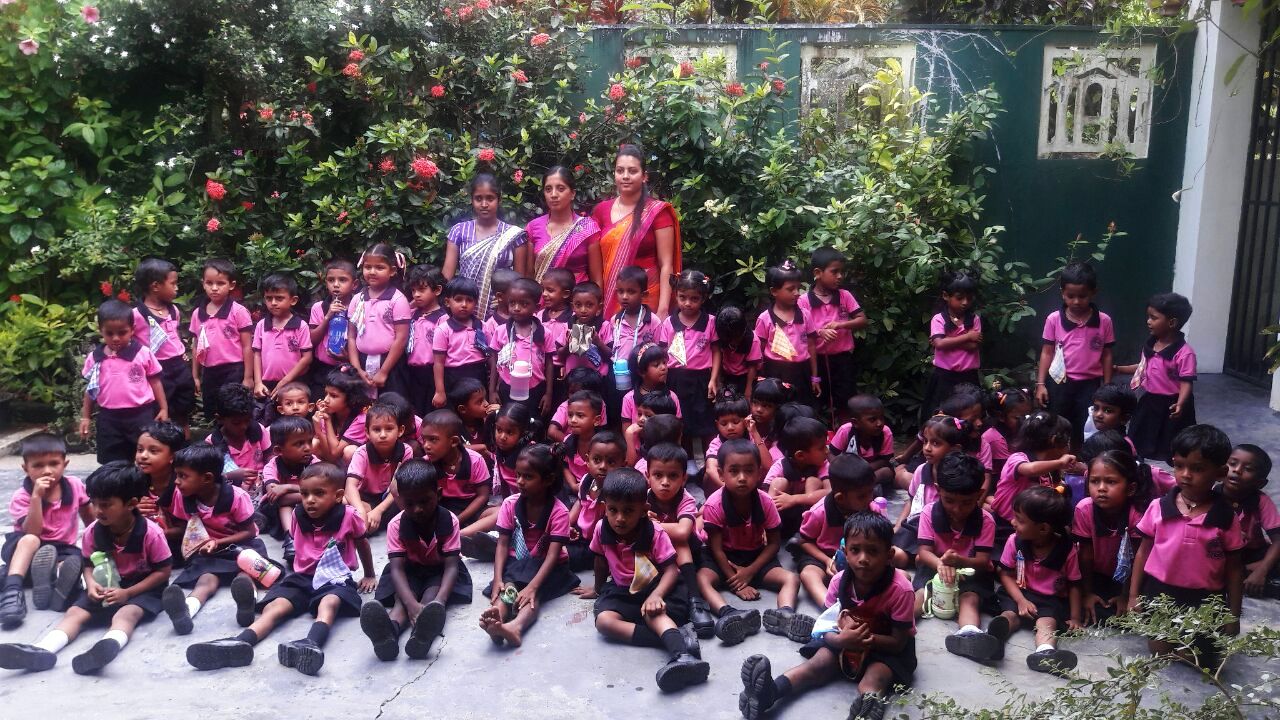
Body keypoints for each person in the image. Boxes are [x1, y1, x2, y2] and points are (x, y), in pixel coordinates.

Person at [184, 463, 376, 674]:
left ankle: (310, 644)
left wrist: (369, 574)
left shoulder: (349, 516)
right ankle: (240, 642)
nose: (310, 500)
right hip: (302, 577)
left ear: (338, 495)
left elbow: (362, 543)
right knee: (276, 607)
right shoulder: (297, 515)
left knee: (329, 603)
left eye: (319, 493)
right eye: (304, 493)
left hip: (334, 578)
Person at [738, 512, 917, 720]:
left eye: (873, 551)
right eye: (855, 550)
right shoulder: (839, 582)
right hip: (844, 640)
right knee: (815, 665)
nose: (863, 559)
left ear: (889, 555)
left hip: (885, 649)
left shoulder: (900, 590)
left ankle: (866, 711)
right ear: (844, 553)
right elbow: (826, 627)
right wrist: (841, 639)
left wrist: (865, 640)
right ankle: (769, 693)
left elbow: (898, 642)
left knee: (874, 679)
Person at [0, 462, 171, 674]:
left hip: (142, 588)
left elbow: (163, 572)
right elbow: (88, 564)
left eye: (106, 504)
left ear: (131, 503)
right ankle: (42, 650)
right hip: (106, 584)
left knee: (126, 615)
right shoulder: (93, 532)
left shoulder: (150, 533)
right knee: (74, 613)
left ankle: (108, 645)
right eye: (95, 503)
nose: (98, 510)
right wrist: (90, 584)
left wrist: (128, 593)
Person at [578, 467, 709, 692]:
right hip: (623, 590)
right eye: (613, 509)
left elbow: (671, 571)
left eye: (628, 511)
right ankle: (675, 639)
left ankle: (683, 656)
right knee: (604, 622)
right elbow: (600, 562)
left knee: (652, 614)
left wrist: (656, 596)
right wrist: (598, 589)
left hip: (657, 587)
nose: (619, 518)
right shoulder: (601, 529)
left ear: (643, 510)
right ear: (604, 508)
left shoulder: (654, 532)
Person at [1129, 425, 1243, 667]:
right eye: (1179, 465)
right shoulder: (1159, 507)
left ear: (1221, 473)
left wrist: (1233, 614)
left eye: (1198, 468)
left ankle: (1198, 645)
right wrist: (1133, 596)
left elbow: (1234, 568)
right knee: (1160, 652)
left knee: (1203, 661)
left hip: (1206, 598)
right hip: (1159, 592)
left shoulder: (1225, 517)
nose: (1185, 474)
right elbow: (1143, 553)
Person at [359, 459, 472, 661]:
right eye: (409, 503)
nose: (417, 509)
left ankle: (421, 636)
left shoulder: (449, 520)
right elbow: (397, 570)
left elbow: (452, 566)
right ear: (400, 500)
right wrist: (411, 604)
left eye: (424, 501)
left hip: (439, 570)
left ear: (437, 495)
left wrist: (440, 602)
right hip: (408, 570)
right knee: (403, 601)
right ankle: (387, 635)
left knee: (430, 598)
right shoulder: (396, 525)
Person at [697, 438, 801, 646]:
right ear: (720, 474)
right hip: (724, 558)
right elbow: (715, 549)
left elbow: (773, 544)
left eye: (749, 471)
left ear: (759, 473)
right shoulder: (714, 505)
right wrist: (736, 584)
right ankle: (728, 613)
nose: (742, 478)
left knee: (792, 579)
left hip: (756, 556)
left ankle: (784, 615)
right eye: (734, 471)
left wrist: (750, 571)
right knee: (701, 579)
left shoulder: (766, 502)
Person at [161, 445, 271, 636]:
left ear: (207, 478)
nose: (176, 482)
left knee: (245, 575)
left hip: (242, 546)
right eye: (176, 475)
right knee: (206, 580)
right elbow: (185, 526)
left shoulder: (236, 497)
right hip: (209, 551)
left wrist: (219, 542)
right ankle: (186, 610)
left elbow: (249, 532)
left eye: (183, 476)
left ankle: (247, 603)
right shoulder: (183, 496)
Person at [479, 445, 580, 647]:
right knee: (508, 587)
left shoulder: (558, 512)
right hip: (519, 562)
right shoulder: (510, 504)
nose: (520, 482)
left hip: (550, 569)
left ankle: (516, 627)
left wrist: (533, 587)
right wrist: (497, 579)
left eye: (528, 477)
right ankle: (498, 616)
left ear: (548, 480)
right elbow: (502, 544)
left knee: (531, 595)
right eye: (518, 475)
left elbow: (553, 556)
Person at [983, 486, 1081, 673]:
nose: (1012, 522)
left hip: (1049, 600)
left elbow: (1075, 584)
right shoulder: (1015, 541)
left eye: (1019, 520)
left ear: (1043, 528)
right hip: (1017, 592)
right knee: (1009, 615)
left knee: (1047, 622)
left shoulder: (1067, 550)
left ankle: (1045, 653)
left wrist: (1075, 618)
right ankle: (993, 640)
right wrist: (1020, 600)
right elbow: (1004, 573)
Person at [0, 434, 91, 627]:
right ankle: (12, 591)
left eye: (53, 463)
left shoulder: (74, 486)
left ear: (64, 464)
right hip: (26, 548)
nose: (47, 471)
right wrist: (36, 498)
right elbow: (33, 530)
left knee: (74, 561)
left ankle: (55, 588)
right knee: (31, 540)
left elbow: (89, 517)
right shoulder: (22, 496)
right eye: (38, 465)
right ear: (25, 469)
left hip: (62, 549)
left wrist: (99, 544)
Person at [913, 454, 997, 659]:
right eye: (949, 500)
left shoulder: (986, 520)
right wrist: (941, 564)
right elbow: (924, 552)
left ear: (979, 494)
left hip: (973, 573)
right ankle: (894, 623)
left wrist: (959, 562)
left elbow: (983, 561)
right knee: (922, 595)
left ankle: (969, 634)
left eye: (966, 502)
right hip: (935, 567)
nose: (957, 509)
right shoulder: (928, 513)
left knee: (969, 599)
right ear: (938, 489)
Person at [594, 144, 681, 319]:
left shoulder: (657, 212)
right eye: (620, 171)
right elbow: (595, 264)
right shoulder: (601, 211)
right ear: (614, 175)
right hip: (613, 296)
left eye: (632, 171)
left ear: (644, 176)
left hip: (648, 298)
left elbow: (666, 265)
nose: (625, 176)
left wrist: (663, 309)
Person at [81, 299, 169, 464]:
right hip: (108, 417)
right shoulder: (95, 358)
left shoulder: (142, 354)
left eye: (122, 332)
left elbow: (155, 381)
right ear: (101, 331)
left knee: (145, 459)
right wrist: (85, 417)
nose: (115, 338)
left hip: (140, 415)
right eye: (109, 333)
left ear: (132, 330)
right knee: (112, 462)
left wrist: (163, 408)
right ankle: (117, 488)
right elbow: (90, 389)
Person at [1037, 262, 1114, 449]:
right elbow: (1047, 352)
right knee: (1057, 423)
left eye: (1082, 296)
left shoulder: (1104, 321)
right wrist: (1040, 384)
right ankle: (1056, 461)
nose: (1076, 301)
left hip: (1090, 384)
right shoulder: (1054, 319)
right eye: (1071, 296)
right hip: (1059, 382)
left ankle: (1081, 461)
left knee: (1086, 424)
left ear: (1093, 292)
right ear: (1062, 293)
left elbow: (1107, 355)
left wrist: (1107, 386)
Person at [795, 454, 883, 615]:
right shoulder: (819, 513)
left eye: (871, 492)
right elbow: (804, 542)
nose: (870, 498)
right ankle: (833, 610)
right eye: (862, 496)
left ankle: (878, 601)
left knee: (895, 556)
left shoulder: (871, 509)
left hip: (858, 554)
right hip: (823, 554)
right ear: (840, 498)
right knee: (809, 574)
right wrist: (827, 560)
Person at [643, 443, 714, 636]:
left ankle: (695, 600)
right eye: (658, 475)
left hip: (689, 554)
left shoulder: (686, 499)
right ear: (648, 476)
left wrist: (649, 525)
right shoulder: (642, 498)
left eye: (673, 476)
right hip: (658, 555)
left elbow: (683, 532)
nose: (665, 482)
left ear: (683, 478)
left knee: (678, 542)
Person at [1117, 292, 1197, 462]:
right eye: (1148, 317)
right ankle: (1139, 468)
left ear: (1172, 322)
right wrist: (1117, 368)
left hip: (1173, 404)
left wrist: (1181, 404)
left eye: (1153, 318)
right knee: (1138, 438)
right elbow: (1141, 367)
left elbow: (1186, 382)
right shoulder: (1152, 344)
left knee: (1173, 443)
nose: (1148, 321)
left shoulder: (1184, 353)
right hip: (1150, 400)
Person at [1074, 449, 1145, 624]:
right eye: (1094, 481)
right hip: (1096, 575)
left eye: (1111, 482)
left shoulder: (1137, 514)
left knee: (1136, 612)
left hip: (1129, 577)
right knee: (1084, 608)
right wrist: (1087, 593)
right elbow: (1085, 555)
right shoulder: (1084, 509)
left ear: (1131, 489)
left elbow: (1136, 559)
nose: (1101, 489)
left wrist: (1127, 595)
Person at [444, 173, 529, 316]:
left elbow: (519, 282)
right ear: (472, 200)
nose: (484, 204)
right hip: (465, 308)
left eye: (490, 198)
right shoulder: (458, 231)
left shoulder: (514, 236)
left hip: (501, 312)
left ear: (499, 200)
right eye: (478, 198)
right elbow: (447, 275)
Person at [800, 247, 868, 426]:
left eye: (841, 272)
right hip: (816, 360)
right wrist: (820, 332)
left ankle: (845, 435)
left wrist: (840, 324)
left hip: (843, 359)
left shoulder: (844, 296)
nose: (840, 276)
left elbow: (862, 319)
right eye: (834, 272)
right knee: (816, 400)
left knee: (845, 400)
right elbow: (801, 331)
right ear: (817, 273)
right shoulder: (804, 301)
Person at [992, 410, 1080, 545]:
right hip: (1007, 525)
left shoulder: (1052, 469)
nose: (1069, 446)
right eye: (1067, 441)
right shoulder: (1018, 458)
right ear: (1055, 441)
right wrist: (1060, 463)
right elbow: (1030, 469)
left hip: (1035, 529)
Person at [891, 416, 969, 563]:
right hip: (917, 526)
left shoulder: (960, 475)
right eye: (925, 441)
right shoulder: (921, 470)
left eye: (936, 443)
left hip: (945, 530)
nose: (927, 448)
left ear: (955, 449)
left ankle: (925, 558)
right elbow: (912, 501)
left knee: (927, 557)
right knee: (898, 556)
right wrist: (897, 526)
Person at [656, 269, 719, 446]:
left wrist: (713, 379)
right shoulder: (669, 323)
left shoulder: (710, 322)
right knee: (677, 417)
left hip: (701, 379)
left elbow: (716, 351)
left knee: (702, 419)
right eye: (682, 297)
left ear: (704, 298)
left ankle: (706, 458)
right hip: (675, 378)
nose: (688, 303)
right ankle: (683, 456)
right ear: (676, 295)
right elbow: (663, 354)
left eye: (694, 299)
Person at [132, 257, 195, 429]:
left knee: (184, 407)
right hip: (157, 369)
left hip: (179, 365)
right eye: (173, 283)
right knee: (160, 409)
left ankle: (185, 445)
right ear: (155, 286)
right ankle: (163, 445)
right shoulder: (137, 315)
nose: (177, 287)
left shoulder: (173, 310)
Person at [190, 258, 254, 418]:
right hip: (209, 371)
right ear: (203, 283)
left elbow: (247, 346)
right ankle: (217, 440)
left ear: (231, 285)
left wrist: (248, 377)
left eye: (220, 283)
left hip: (234, 369)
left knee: (233, 410)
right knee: (213, 410)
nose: (214, 288)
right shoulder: (198, 314)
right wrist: (195, 376)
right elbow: (196, 345)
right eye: (209, 283)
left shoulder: (238, 311)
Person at [347, 243, 411, 398]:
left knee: (391, 407)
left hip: (390, 365)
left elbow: (401, 338)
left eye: (380, 267)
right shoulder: (358, 299)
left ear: (392, 271)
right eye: (368, 267)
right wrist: (357, 369)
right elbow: (351, 336)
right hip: (361, 362)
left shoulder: (397, 300)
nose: (372, 272)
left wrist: (383, 372)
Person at [754, 260, 820, 406]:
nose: (797, 293)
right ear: (774, 291)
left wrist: (815, 377)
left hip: (801, 371)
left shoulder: (805, 315)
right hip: (774, 372)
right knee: (776, 409)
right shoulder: (765, 318)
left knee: (802, 407)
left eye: (798, 288)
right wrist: (759, 376)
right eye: (791, 289)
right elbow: (758, 350)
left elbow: (811, 347)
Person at [921, 269, 982, 426]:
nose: (965, 302)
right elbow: (940, 344)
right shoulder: (939, 319)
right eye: (959, 298)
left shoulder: (974, 319)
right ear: (946, 296)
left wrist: (947, 341)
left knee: (971, 413)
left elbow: (973, 346)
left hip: (969, 377)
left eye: (969, 298)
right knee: (939, 414)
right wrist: (967, 336)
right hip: (944, 377)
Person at [487, 277, 555, 415]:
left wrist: (548, 393)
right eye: (512, 303)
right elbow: (494, 362)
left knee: (532, 422)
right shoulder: (501, 331)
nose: (516, 308)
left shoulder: (545, 333)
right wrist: (492, 390)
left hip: (535, 388)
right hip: (507, 386)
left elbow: (549, 364)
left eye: (524, 304)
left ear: (536, 307)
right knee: (507, 419)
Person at [421, 410, 491, 538]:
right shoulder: (425, 463)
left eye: (433, 440)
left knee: (498, 512)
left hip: (470, 507)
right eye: (424, 439)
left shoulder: (475, 460)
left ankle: (460, 535)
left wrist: (458, 520)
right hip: (443, 509)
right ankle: (462, 535)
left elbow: (483, 495)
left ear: (453, 442)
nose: (426, 445)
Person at [528, 165, 602, 285]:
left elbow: (596, 280)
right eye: (548, 189)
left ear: (572, 194)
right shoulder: (533, 227)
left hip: (577, 301)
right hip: (542, 300)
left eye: (560, 189)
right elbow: (529, 278)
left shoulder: (587, 228)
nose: (553, 194)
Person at [1222, 444, 1280, 598]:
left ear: (1260, 483)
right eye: (1232, 463)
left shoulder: (1261, 500)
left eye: (1248, 469)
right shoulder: (1210, 495)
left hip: (1252, 554)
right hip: (1220, 553)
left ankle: (1246, 575)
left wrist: (1262, 569)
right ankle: (1245, 578)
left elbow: (1278, 540)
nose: (1237, 470)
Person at [344, 403, 413, 532]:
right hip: (365, 497)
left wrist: (378, 511)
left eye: (389, 429)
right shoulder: (362, 453)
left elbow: (398, 488)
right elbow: (350, 486)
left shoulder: (406, 451)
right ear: (367, 432)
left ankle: (371, 522)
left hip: (390, 498)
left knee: (407, 503)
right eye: (376, 430)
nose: (382, 435)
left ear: (400, 431)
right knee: (342, 502)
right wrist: (361, 512)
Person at [260, 416, 317, 566]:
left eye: (309, 441)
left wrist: (288, 487)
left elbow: (322, 488)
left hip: (306, 504)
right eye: (299, 443)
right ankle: (290, 538)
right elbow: (273, 494)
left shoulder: (314, 462)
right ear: (279, 450)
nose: (307, 447)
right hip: (277, 509)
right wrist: (306, 492)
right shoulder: (272, 466)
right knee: (284, 503)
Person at [765, 417, 830, 543]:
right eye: (822, 448)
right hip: (782, 516)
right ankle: (768, 532)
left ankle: (803, 536)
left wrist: (794, 499)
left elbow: (830, 491)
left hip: (809, 516)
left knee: (813, 481)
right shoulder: (780, 465)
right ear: (800, 455)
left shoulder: (822, 464)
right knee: (779, 483)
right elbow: (765, 498)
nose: (827, 451)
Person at [252, 272, 313, 403]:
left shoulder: (301, 326)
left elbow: (307, 358)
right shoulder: (261, 325)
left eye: (279, 298)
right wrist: (257, 382)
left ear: (293, 300)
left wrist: (285, 381)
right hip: (266, 384)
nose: (273, 303)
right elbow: (256, 355)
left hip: (294, 383)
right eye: (269, 298)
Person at [431, 277, 491, 408]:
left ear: (475, 303)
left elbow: (491, 357)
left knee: (479, 410)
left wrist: (493, 388)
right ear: (447, 302)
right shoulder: (443, 330)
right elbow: (438, 363)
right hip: (454, 376)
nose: (464, 304)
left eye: (469, 300)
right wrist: (440, 391)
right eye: (458, 299)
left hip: (478, 374)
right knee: (457, 411)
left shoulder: (483, 327)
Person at [307, 258, 358, 401]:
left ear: (354, 284)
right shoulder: (319, 308)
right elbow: (311, 340)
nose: (336, 285)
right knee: (322, 404)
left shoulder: (360, 308)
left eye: (342, 280)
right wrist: (327, 317)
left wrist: (348, 358)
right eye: (331, 280)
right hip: (322, 369)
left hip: (349, 368)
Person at [207, 384, 271, 490]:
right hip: (232, 493)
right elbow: (211, 479)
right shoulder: (212, 443)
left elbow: (270, 457)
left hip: (262, 485)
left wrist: (267, 477)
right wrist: (233, 475)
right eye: (236, 423)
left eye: (247, 420)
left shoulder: (258, 430)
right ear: (219, 419)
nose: (244, 426)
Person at [404, 263, 447, 417]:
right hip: (411, 372)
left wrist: (439, 389)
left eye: (422, 290)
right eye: (413, 290)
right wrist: (411, 305)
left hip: (431, 373)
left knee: (429, 413)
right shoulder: (412, 313)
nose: (416, 294)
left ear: (437, 290)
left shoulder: (443, 319)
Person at [829, 394, 896, 493]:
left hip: (870, 470)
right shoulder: (845, 431)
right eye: (872, 419)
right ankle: (858, 488)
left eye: (881, 418)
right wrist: (842, 470)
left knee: (887, 472)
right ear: (855, 423)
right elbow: (831, 453)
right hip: (847, 469)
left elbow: (885, 460)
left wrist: (862, 470)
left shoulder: (886, 433)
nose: (879, 423)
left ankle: (861, 487)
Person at [312, 365, 374, 464]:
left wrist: (325, 424)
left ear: (351, 398)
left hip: (360, 466)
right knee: (314, 444)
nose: (326, 400)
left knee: (350, 451)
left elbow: (335, 453)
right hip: (334, 461)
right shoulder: (329, 413)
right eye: (326, 394)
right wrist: (319, 430)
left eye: (333, 396)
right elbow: (330, 457)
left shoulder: (361, 419)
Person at [981, 387, 1031, 481]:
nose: (1023, 420)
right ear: (1001, 417)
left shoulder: (1018, 429)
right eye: (1017, 417)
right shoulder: (996, 439)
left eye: (1026, 416)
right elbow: (1008, 469)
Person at [717, 306, 762, 400]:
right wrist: (718, 381)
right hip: (726, 374)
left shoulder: (752, 340)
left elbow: (752, 367)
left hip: (744, 377)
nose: (733, 342)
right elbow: (718, 357)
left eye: (735, 339)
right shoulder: (721, 335)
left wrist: (749, 389)